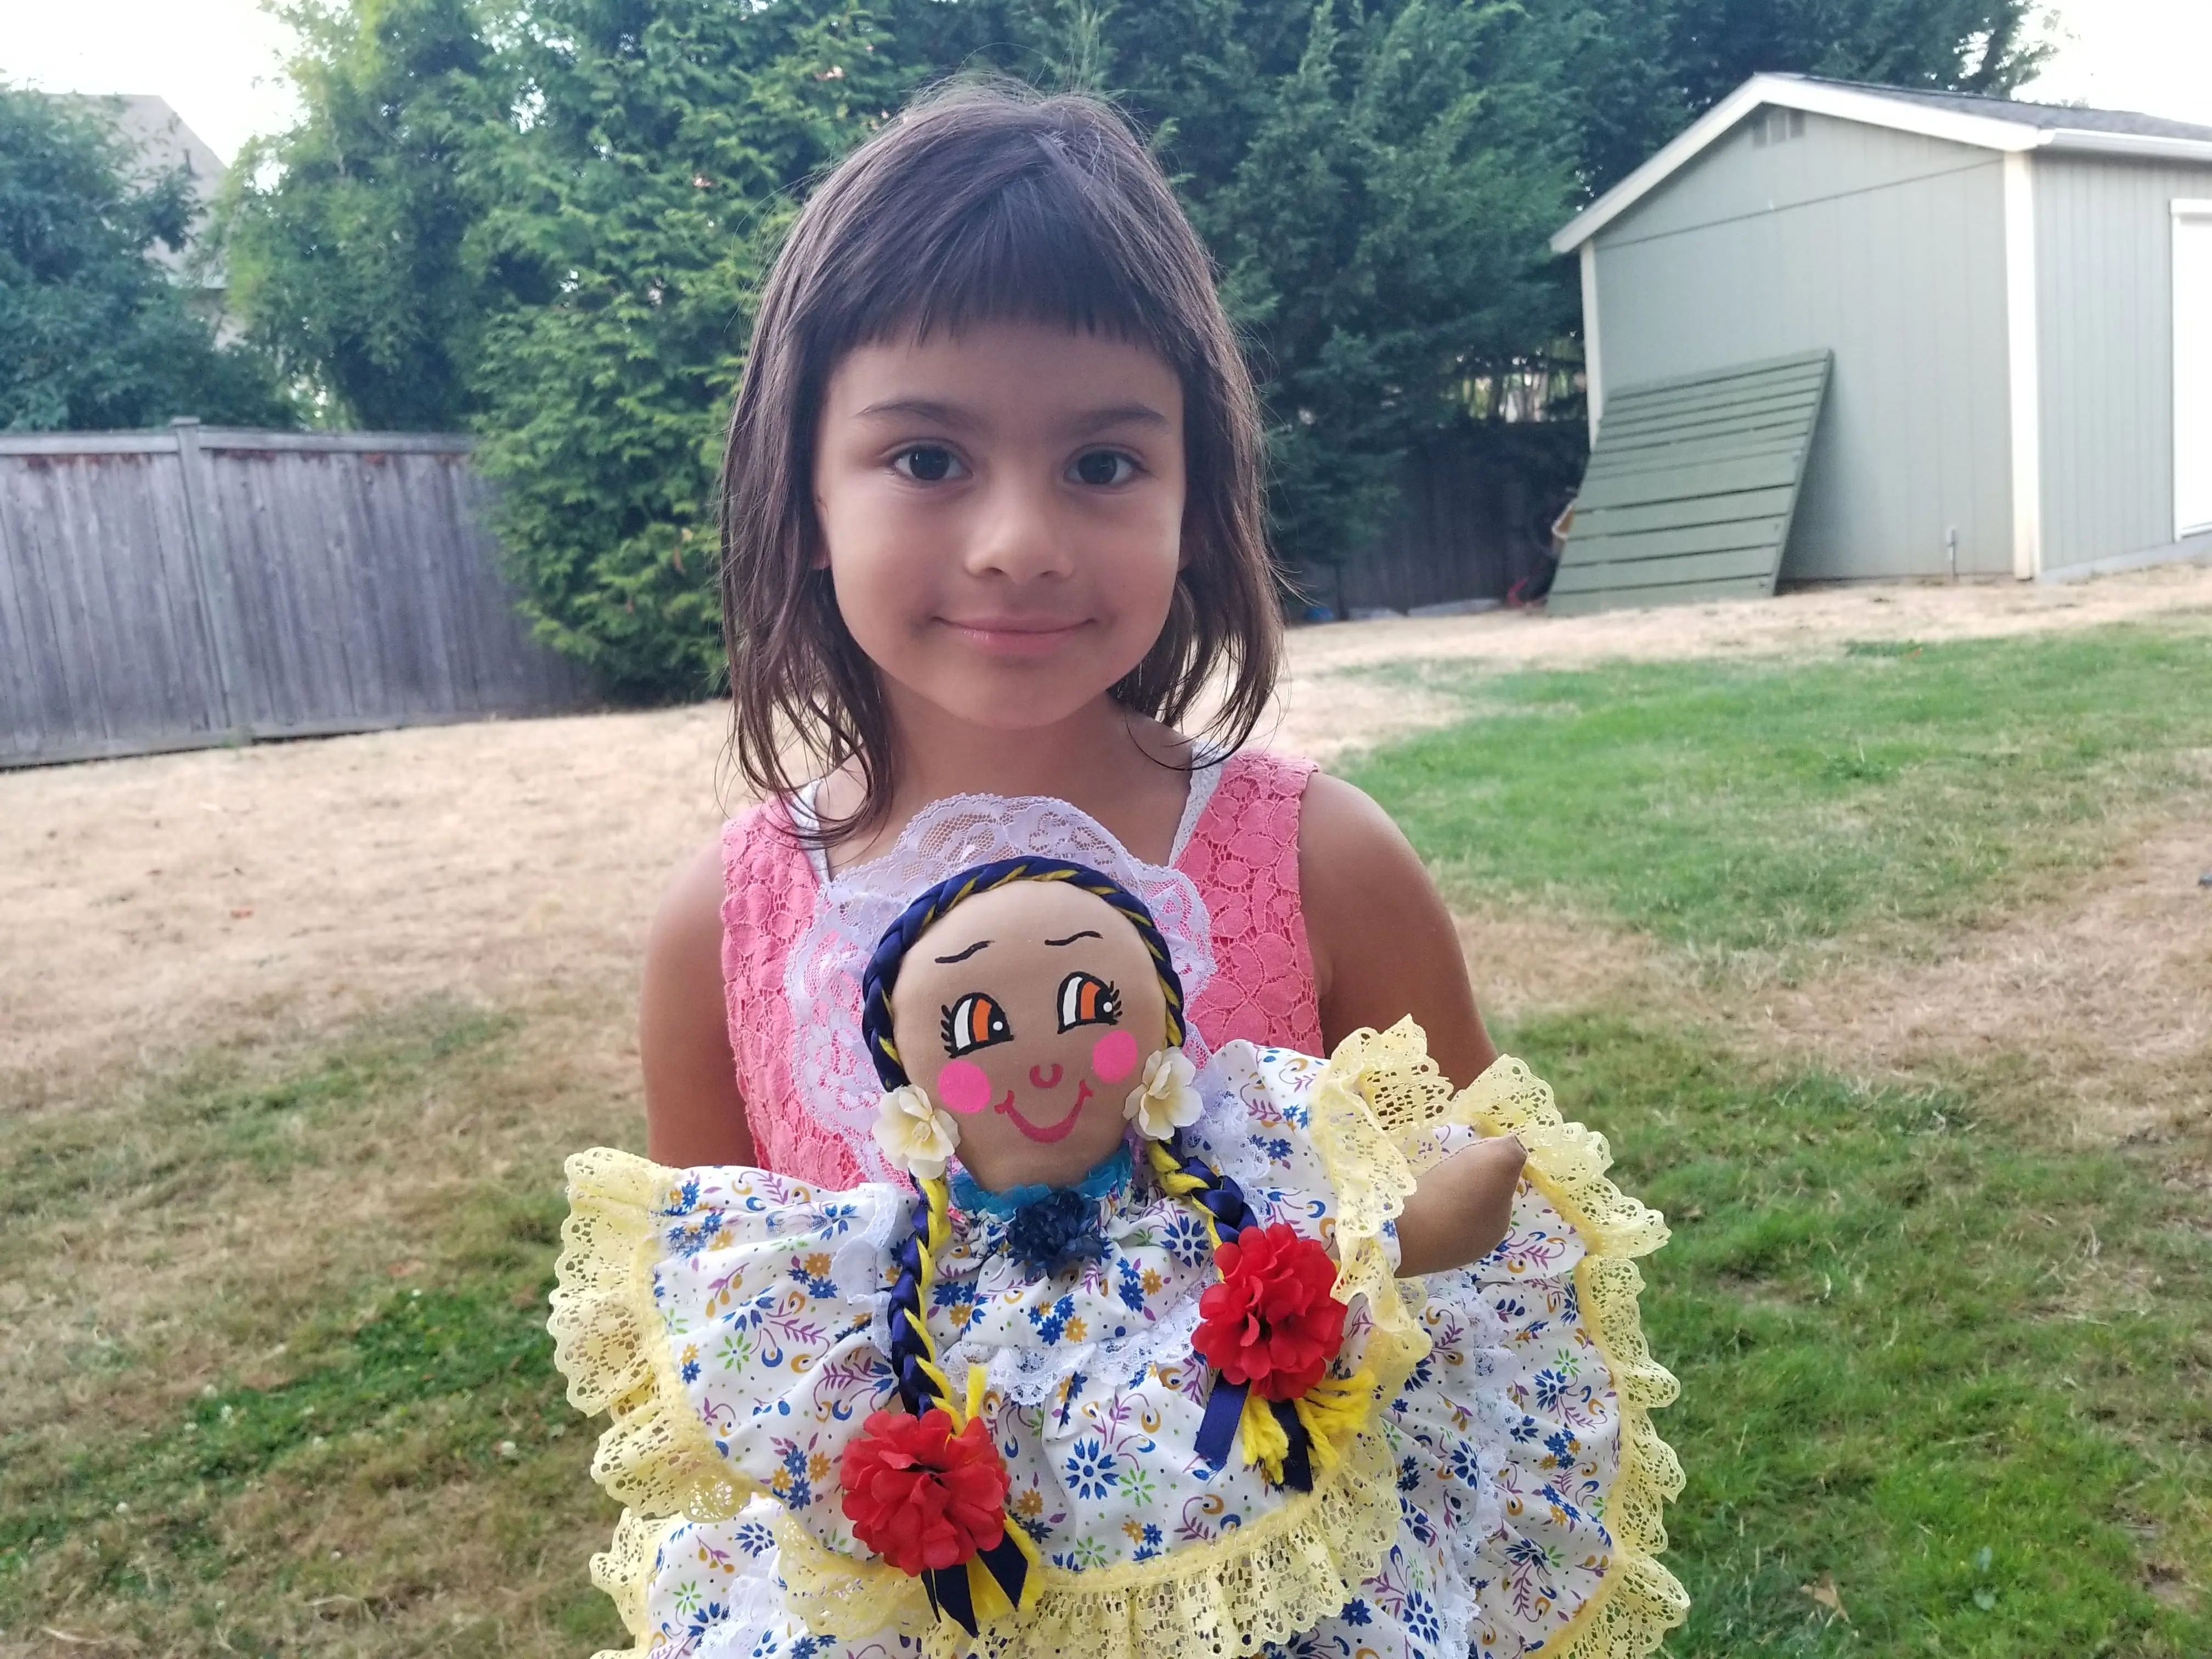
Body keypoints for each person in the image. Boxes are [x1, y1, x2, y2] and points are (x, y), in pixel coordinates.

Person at [635, 82, 1497, 1190]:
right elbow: (706, 1329)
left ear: (1195, 506)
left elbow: (1491, 1269)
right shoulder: (717, 936)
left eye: (1101, 465)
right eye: (928, 459)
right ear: (803, 502)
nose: (1019, 544)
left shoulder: (1327, 869)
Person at [553, 861, 1682, 1659]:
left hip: (1262, 1561)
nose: (1039, 1062)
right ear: (908, 1083)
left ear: (1156, 1038)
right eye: (978, 1030)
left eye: (1091, 1005)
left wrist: (1427, 1217)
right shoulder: (871, 1277)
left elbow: (1376, 1239)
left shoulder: (1240, 1179)